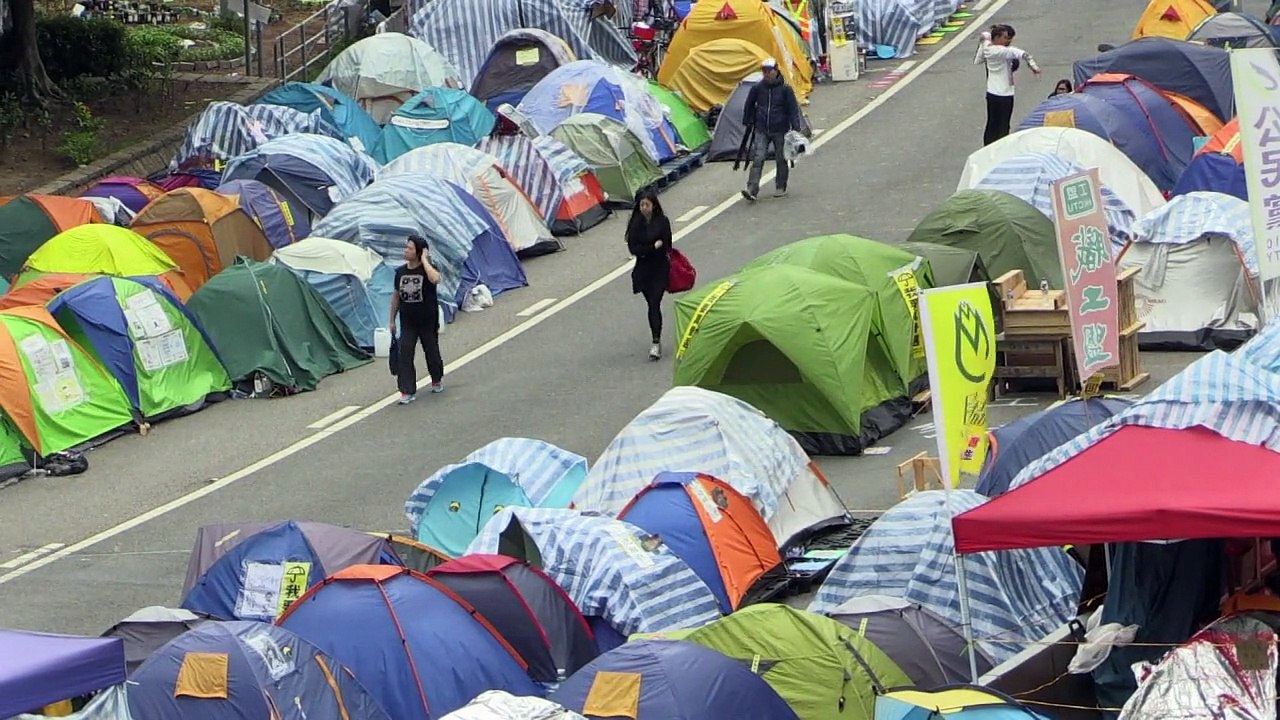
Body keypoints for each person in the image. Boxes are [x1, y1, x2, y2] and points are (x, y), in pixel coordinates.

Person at [741, 57, 807, 202]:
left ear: (776, 71)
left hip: (781, 129)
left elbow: (792, 109)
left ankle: (780, 186)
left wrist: (796, 128)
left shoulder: (785, 90)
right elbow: (749, 105)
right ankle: (752, 189)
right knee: (758, 158)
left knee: (781, 158)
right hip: (762, 128)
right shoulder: (757, 88)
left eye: (769, 70)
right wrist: (748, 120)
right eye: (764, 71)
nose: (766, 74)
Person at [389, 235, 444, 405]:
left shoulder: (429, 270)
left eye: (410, 248)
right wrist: (391, 320)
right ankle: (407, 390)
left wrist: (425, 261)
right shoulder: (400, 272)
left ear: (419, 252)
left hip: (427, 319)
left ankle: (436, 378)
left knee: (431, 351)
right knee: (405, 353)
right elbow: (396, 297)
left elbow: (435, 279)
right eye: (406, 247)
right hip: (408, 320)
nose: (406, 250)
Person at [974, 23, 1040, 146]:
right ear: (997, 38)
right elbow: (1023, 54)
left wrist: (983, 43)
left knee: (992, 123)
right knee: (1003, 124)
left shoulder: (987, 47)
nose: (1007, 41)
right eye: (1005, 38)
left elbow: (977, 60)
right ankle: (1001, 147)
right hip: (1004, 93)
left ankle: (988, 147)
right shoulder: (1001, 51)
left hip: (992, 91)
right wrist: (1034, 67)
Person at [626, 188, 672, 361]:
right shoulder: (635, 225)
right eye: (641, 204)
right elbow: (634, 248)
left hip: (660, 268)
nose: (644, 207)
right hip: (643, 270)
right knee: (650, 303)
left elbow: (667, 243)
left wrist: (656, 248)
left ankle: (656, 341)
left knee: (655, 302)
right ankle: (656, 338)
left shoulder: (662, 221)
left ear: (654, 205)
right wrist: (652, 247)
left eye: (647, 204)